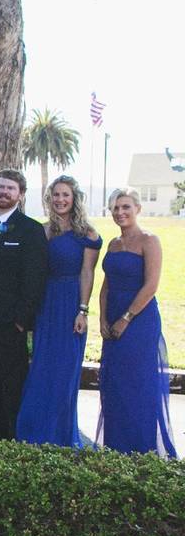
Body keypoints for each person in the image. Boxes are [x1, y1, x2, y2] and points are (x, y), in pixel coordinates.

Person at [17, 175, 101, 447]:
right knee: (42, 368)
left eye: (65, 195)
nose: (60, 200)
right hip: (47, 304)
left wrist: (83, 310)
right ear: (49, 199)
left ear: (74, 198)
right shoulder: (43, 231)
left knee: (65, 372)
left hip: (71, 306)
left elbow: (87, 273)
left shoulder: (87, 234)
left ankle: (60, 435)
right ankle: (36, 431)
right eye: (55, 195)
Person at [96, 188, 177, 457]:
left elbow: (151, 285)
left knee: (138, 386)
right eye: (115, 208)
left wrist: (126, 318)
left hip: (139, 320)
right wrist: (104, 318)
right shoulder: (113, 245)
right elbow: (106, 286)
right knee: (115, 384)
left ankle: (141, 452)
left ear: (138, 209)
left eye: (125, 207)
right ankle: (116, 449)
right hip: (113, 318)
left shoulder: (149, 240)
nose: (120, 212)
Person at [0, 169, 47, 441]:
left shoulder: (31, 230)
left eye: (11, 189)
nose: (4, 192)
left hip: (10, 323)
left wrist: (21, 320)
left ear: (21, 195)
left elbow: (34, 278)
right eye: (1, 187)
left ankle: (15, 439)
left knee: (13, 385)